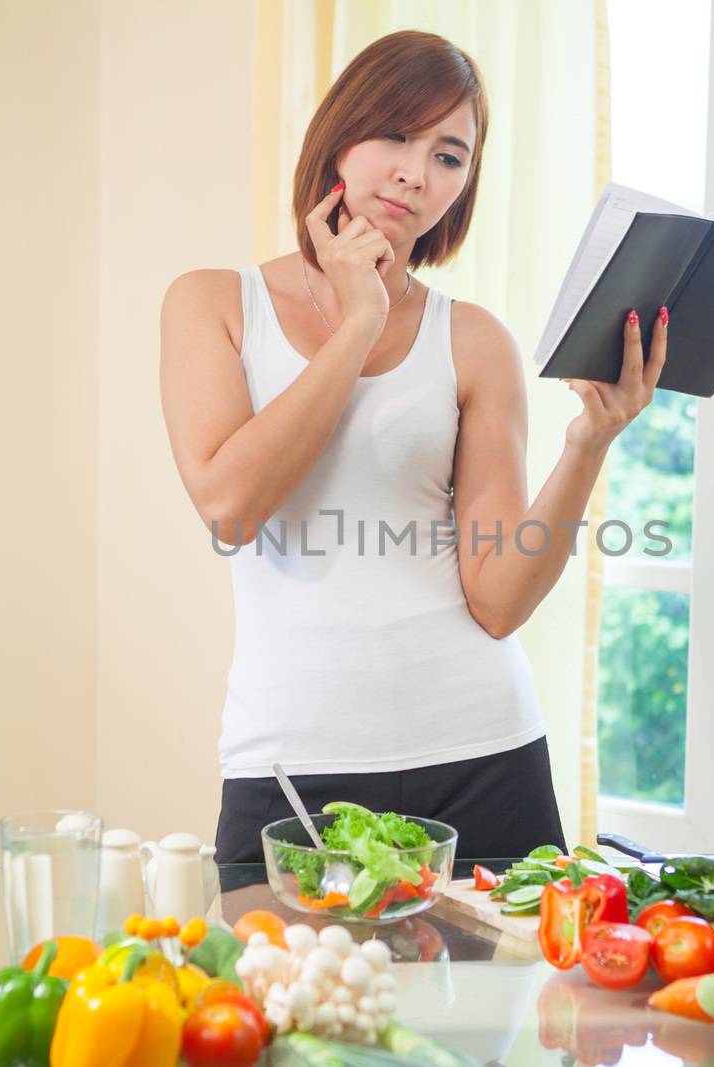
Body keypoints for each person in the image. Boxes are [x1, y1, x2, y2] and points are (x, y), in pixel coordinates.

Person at [160, 30, 667, 862]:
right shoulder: (213, 304)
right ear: (339, 136)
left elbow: (498, 599)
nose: (413, 171)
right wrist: (358, 323)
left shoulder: (474, 341)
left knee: (516, 999)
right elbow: (230, 504)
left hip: (485, 758)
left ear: (460, 190)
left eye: (448, 155)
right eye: (395, 134)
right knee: (295, 998)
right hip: (293, 767)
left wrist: (588, 443)